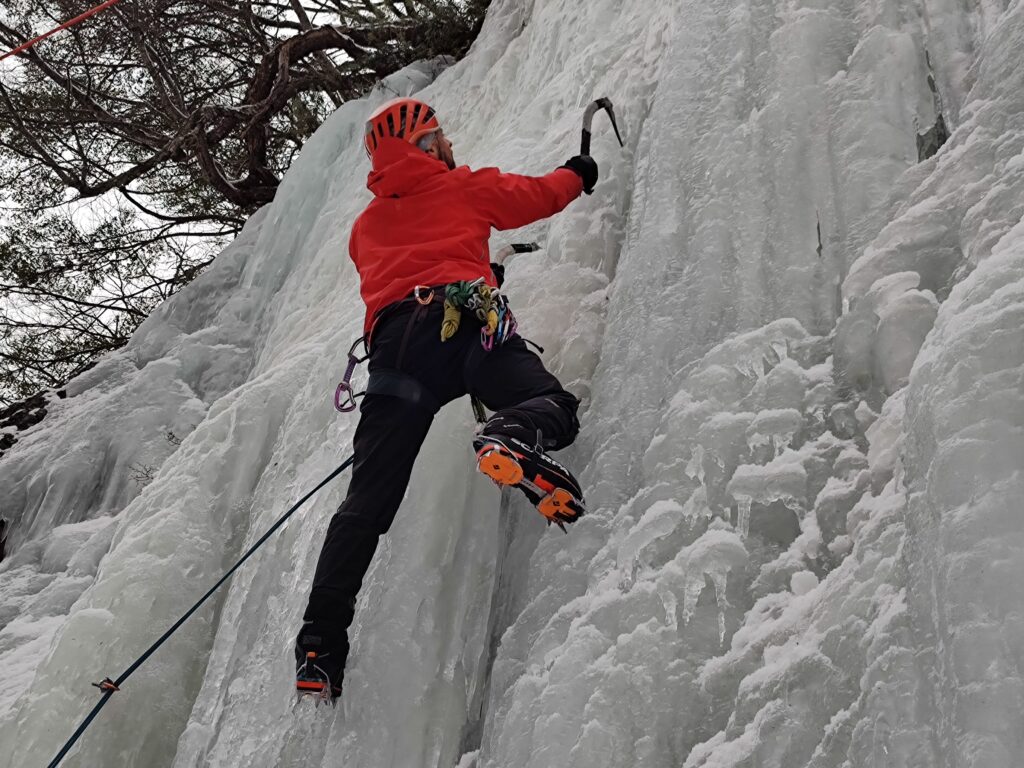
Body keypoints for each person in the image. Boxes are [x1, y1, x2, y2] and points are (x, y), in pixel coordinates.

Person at [294, 97, 598, 702]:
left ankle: (318, 646)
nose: (449, 146)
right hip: (464, 322)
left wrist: (471, 263)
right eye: (441, 138)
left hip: (396, 354)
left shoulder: (365, 228)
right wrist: (580, 171)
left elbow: (409, 263)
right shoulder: (465, 188)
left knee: (366, 501)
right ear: (427, 146)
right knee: (550, 402)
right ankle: (512, 432)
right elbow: (538, 196)